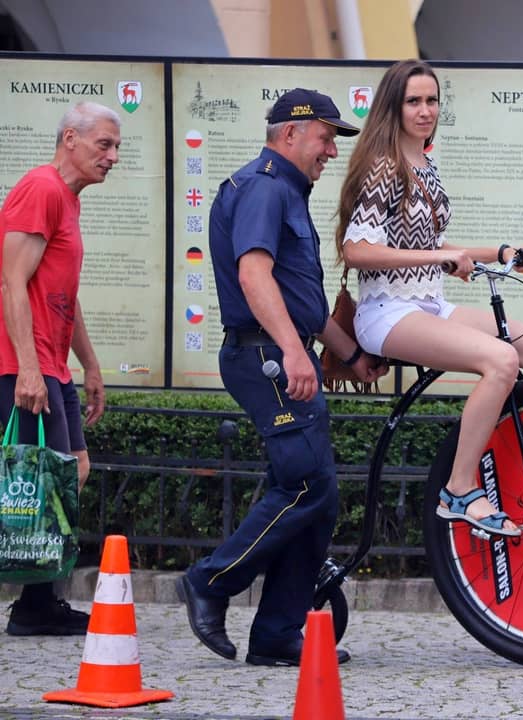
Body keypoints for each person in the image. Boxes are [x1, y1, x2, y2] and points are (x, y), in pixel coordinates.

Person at [176, 88, 386, 667]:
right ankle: (210, 581)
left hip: (278, 351)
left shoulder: (284, 191)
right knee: (305, 486)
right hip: (266, 356)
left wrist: (350, 354)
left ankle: (276, 635)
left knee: (318, 493)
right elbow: (255, 277)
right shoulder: (265, 188)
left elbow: (302, 301)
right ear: (290, 133)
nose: (331, 151)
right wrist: (294, 352)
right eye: (325, 137)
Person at [335, 60, 523, 537]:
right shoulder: (383, 167)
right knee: (501, 360)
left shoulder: (425, 165)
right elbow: (357, 250)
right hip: (388, 311)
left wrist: (500, 252)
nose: (425, 110)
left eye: (432, 101)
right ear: (393, 108)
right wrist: (439, 258)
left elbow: (435, 246)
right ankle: (459, 490)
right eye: (413, 101)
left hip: (430, 304)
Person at [0, 101, 115, 635]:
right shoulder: (41, 188)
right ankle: (34, 607)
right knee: (32, 480)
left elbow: (63, 292)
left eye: (116, 147)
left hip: (54, 363)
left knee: (70, 471)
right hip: (24, 363)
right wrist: (27, 368)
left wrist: (89, 365)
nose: (112, 157)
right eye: (104, 144)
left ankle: (37, 601)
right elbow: (11, 281)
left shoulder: (68, 200)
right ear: (70, 138)